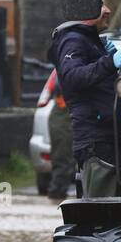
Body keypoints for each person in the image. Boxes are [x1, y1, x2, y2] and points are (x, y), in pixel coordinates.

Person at [49, 2, 121, 198]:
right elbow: (72, 77)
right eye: (101, 5)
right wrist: (110, 62)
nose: (108, 10)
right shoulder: (73, 40)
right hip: (97, 144)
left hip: (108, 140)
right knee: (102, 214)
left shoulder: (89, 41)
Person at [46, 73, 74, 204]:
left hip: (62, 122)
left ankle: (58, 191)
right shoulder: (63, 75)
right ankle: (57, 192)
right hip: (61, 124)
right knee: (61, 158)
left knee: (64, 159)